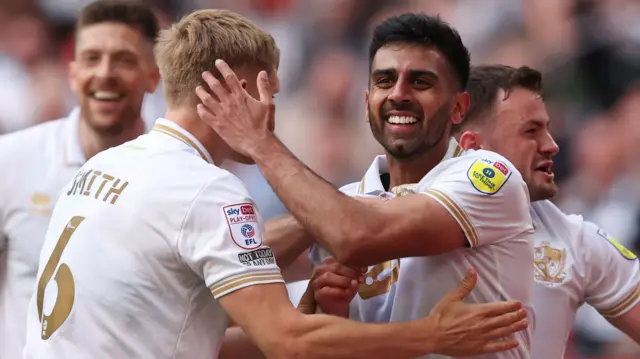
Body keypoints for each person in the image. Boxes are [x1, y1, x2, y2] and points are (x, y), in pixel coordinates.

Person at [24, 9, 528, 359]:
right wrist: (430, 335)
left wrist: (313, 303)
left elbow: (190, 314)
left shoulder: (101, 167)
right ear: (238, 91)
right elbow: (290, 341)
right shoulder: (207, 192)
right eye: (271, 91)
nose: (276, 108)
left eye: (419, 82)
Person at [197, 13, 535, 358]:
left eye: (421, 82)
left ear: (459, 108)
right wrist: (333, 310)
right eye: (385, 81)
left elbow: (357, 235)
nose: (398, 94)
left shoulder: (488, 175)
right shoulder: (344, 205)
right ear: (366, 102)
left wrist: (259, 140)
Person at [0, 1, 160, 357]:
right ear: (71, 72)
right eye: (91, 58)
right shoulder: (11, 160)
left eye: (124, 59)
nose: (105, 73)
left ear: (154, 75)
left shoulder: (177, 178)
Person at [453, 64, 640, 358]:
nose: (552, 146)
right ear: (474, 148)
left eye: (548, 129)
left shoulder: (576, 240)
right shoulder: (396, 234)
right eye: (531, 131)